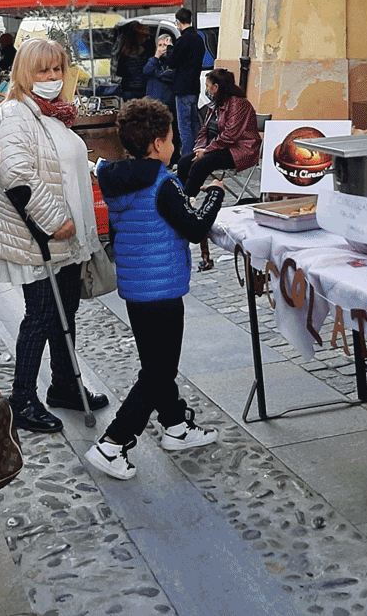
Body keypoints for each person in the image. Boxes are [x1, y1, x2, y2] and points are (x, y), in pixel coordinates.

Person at [86, 97, 224, 479]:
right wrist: (215, 196)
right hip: (162, 289)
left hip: (136, 288)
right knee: (159, 371)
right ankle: (113, 443)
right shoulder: (162, 184)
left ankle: (176, 426)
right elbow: (194, 228)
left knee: (156, 364)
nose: (175, 142)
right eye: (171, 136)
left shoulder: (118, 180)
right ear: (159, 142)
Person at [0, 37, 108, 434]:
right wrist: (55, 219)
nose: (52, 77)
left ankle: (65, 386)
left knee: (65, 311)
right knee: (39, 316)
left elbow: (56, 160)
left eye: (57, 69)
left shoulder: (51, 113)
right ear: (25, 72)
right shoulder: (15, 113)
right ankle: (22, 399)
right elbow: (17, 175)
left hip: (65, 237)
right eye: (43, 70)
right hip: (40, 234)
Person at [175, 68, 262, 198]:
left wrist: (206, 150)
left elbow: (230, 135)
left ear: (216, 87)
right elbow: (204, 129)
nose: (206, 90)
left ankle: (187, 200)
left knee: (201, 164)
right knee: (184, 163)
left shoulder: (238, 104)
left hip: (241, 150)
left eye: (208, 87)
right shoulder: (216, 104)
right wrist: (199, 147)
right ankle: (179, 197)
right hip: (220, 147)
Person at [165, 8, 205, 158]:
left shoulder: (183, 40)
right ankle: (197, 155)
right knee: (194, 125)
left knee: (184, 127)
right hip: (195, 87)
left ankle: (186, 159)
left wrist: (169, 48)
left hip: (183, 88)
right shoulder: (199, 38)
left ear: (178, 22)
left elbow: (172, 62)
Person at [115, 21, 152, 100]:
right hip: (143, 88)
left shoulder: (123, 53)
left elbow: (119, 72)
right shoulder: (147, 52)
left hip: (128, 89)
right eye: (145, 36)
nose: (146, 38)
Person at [143, 34, 175, 107]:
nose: (163, 48)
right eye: (160, 45)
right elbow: (146, 70)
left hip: (167, 103)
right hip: (152, 102)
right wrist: (156, 57)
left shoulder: (173, 61)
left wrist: (157, 73)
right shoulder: (153, 60)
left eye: (165, 45)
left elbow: (170, 75)